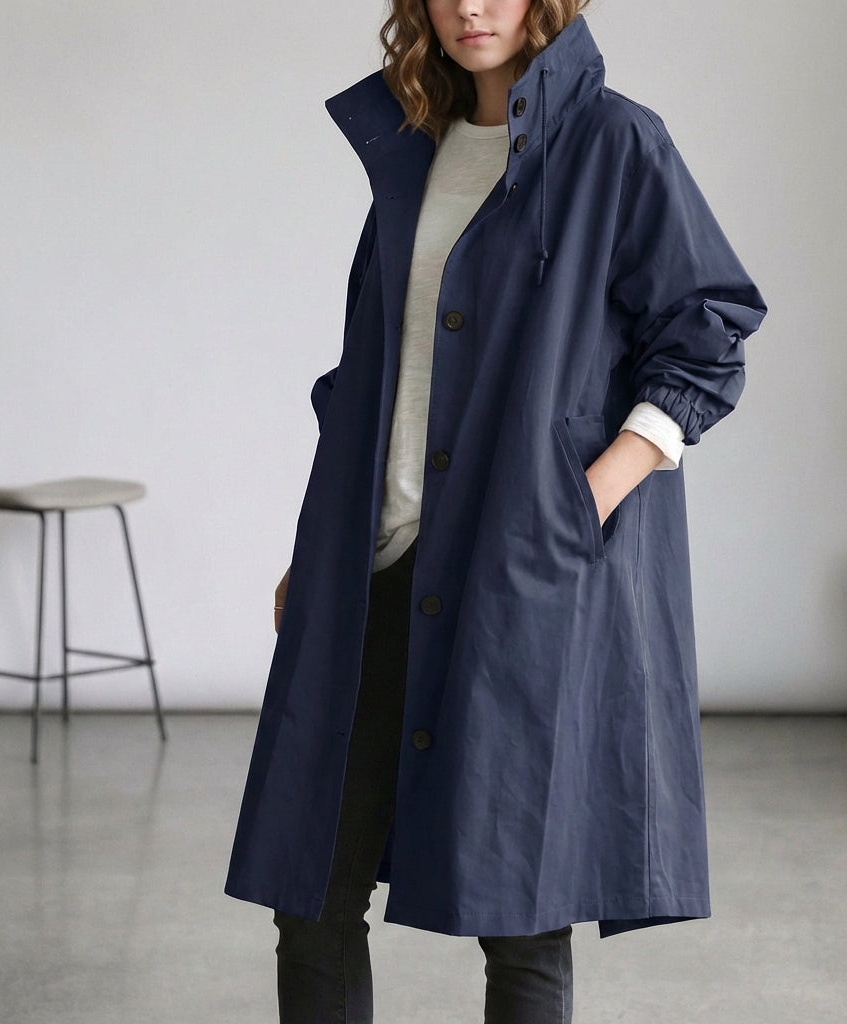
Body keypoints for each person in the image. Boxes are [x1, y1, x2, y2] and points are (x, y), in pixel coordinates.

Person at [226, 0, 766, 1021]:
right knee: (311, 889)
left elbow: (707, 331)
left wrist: (579, 503)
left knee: (522, 910)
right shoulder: (414, 147)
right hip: (380, 564)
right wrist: (324, 544)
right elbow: (375, 369)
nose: (471, 6)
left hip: (515, 573)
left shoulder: (615, 142)